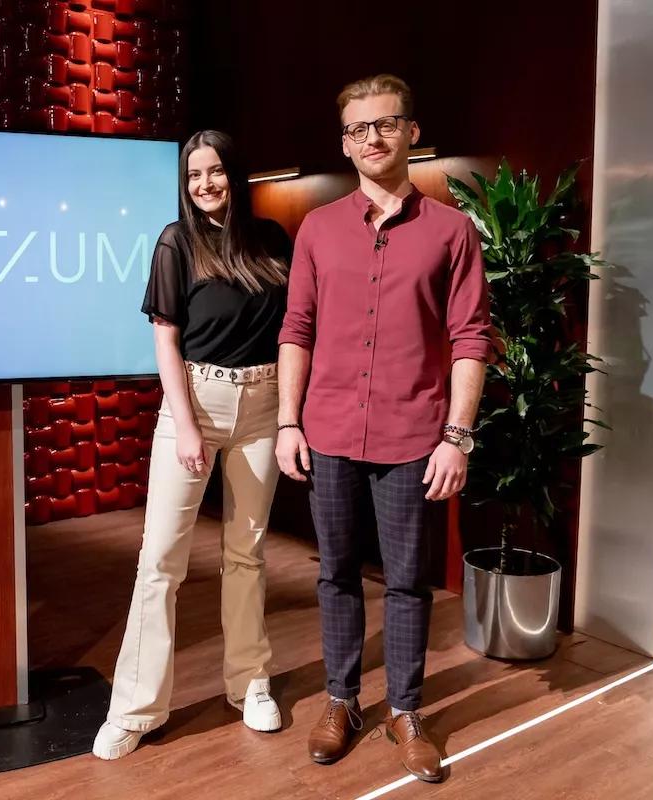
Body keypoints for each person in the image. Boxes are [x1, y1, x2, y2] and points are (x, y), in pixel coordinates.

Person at [276, 74, 492, 783]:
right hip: (329, 431)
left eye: (386, 124)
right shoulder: (317, 229)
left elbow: (470, 338)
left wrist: (456, 437)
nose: (372, 138)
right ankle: (342, 700)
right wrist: (287, 422)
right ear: (344, 143)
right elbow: (297, 329)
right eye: (358, 128)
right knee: (335, 574)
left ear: (412, 132)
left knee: (406, 583)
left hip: (412, 438)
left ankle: (405, 710)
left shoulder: (452, 231)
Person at [92, 130, 293, 760]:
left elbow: (293, 331)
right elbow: (166, 338)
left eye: (215, 171)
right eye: (193, 175)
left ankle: (250, 683)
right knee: (160, 560)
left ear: (236, 173)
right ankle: (135, 709)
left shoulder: (271, 240)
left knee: (247, 553)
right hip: (197, 402)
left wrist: (291, 413)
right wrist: (184, 424)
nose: (204, 184)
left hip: (263, 403)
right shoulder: (176, 241)